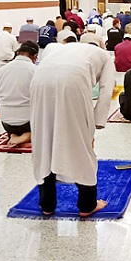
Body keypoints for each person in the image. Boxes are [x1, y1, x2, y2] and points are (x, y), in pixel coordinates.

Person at [30, 42, 115, 217]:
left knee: (44, 141)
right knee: (81, 146)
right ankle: (87, 205)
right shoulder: (106, 56)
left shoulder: (55, 48)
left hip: (39, 80)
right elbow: (106, 91)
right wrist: (94, 126)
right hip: (74, 80)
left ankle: (47, 204)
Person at [0, 41, 39, 146]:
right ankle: (27, 136)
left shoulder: (0, 71)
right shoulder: (36, 70)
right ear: (35, 56)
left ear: (18, 53)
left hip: (6, 123)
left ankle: (15, 135)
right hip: (29, 123)